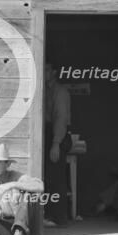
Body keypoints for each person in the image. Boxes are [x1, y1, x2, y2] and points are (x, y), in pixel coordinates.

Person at [44, 62, 72, 226]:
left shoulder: (60, 92)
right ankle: (49, 216)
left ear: (54, 72)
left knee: (57, 178)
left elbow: (60, 120)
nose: (44, 72)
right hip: (48, 134)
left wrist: (56, 144)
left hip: (57, 136)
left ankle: (59, 218)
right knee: (48, 177)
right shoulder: (45, 90)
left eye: (47, 69)